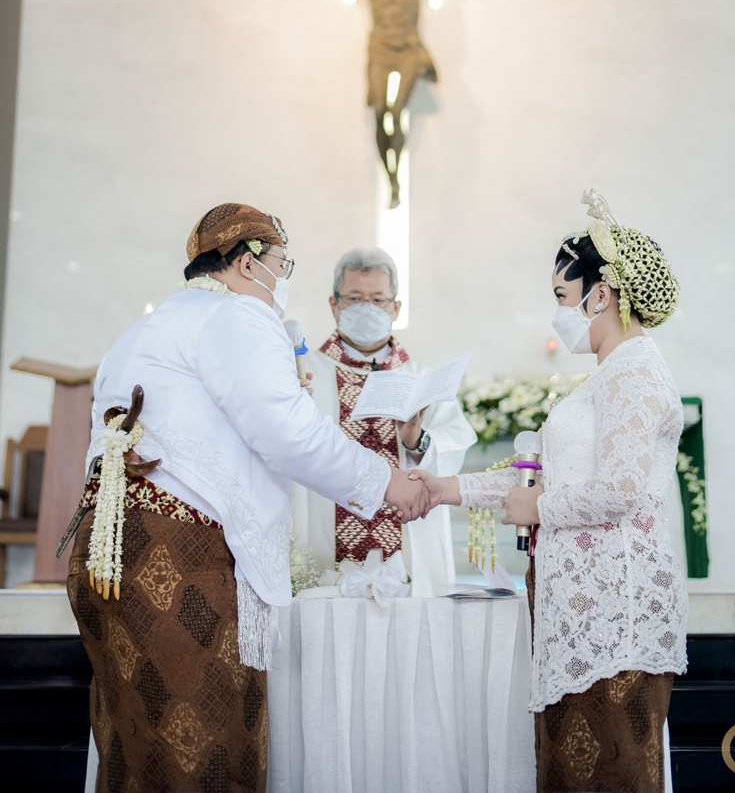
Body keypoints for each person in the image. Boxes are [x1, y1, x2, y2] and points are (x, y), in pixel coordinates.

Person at [66, 204, 430, 793]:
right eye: (283, 264)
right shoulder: (237, 315)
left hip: (109, 552)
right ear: (246, 263)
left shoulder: (149, 327)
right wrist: (385, 481)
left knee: (137, 746)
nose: (283, 279)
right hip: (176, 557)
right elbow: (287, 434)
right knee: (200, 746)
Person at [413, 190, 687, 793]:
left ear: (601, 294)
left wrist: (538, 506)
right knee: (572, 767)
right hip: (582, 605)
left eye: (562, 296)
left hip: (615, 610)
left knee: (611, 771)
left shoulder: (635, 372)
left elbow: (622, 490)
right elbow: (545, 479)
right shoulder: (608, 376)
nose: (557, 312)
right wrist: (444, 488)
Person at [295, 0, 497, 205]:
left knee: (395, 110)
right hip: (379, 50)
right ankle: (391, 179)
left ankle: (396, 181)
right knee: (379, 112)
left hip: (407, 50)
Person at [292, 246, 476, 596]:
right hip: (323, 552)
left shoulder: (423, 379)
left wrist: (416, 441)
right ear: (334, 305)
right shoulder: (303, 374)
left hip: (406, 552)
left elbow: (455, 445)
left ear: (396, 308)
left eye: (378, 300)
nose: (367, 308)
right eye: (354, 298)